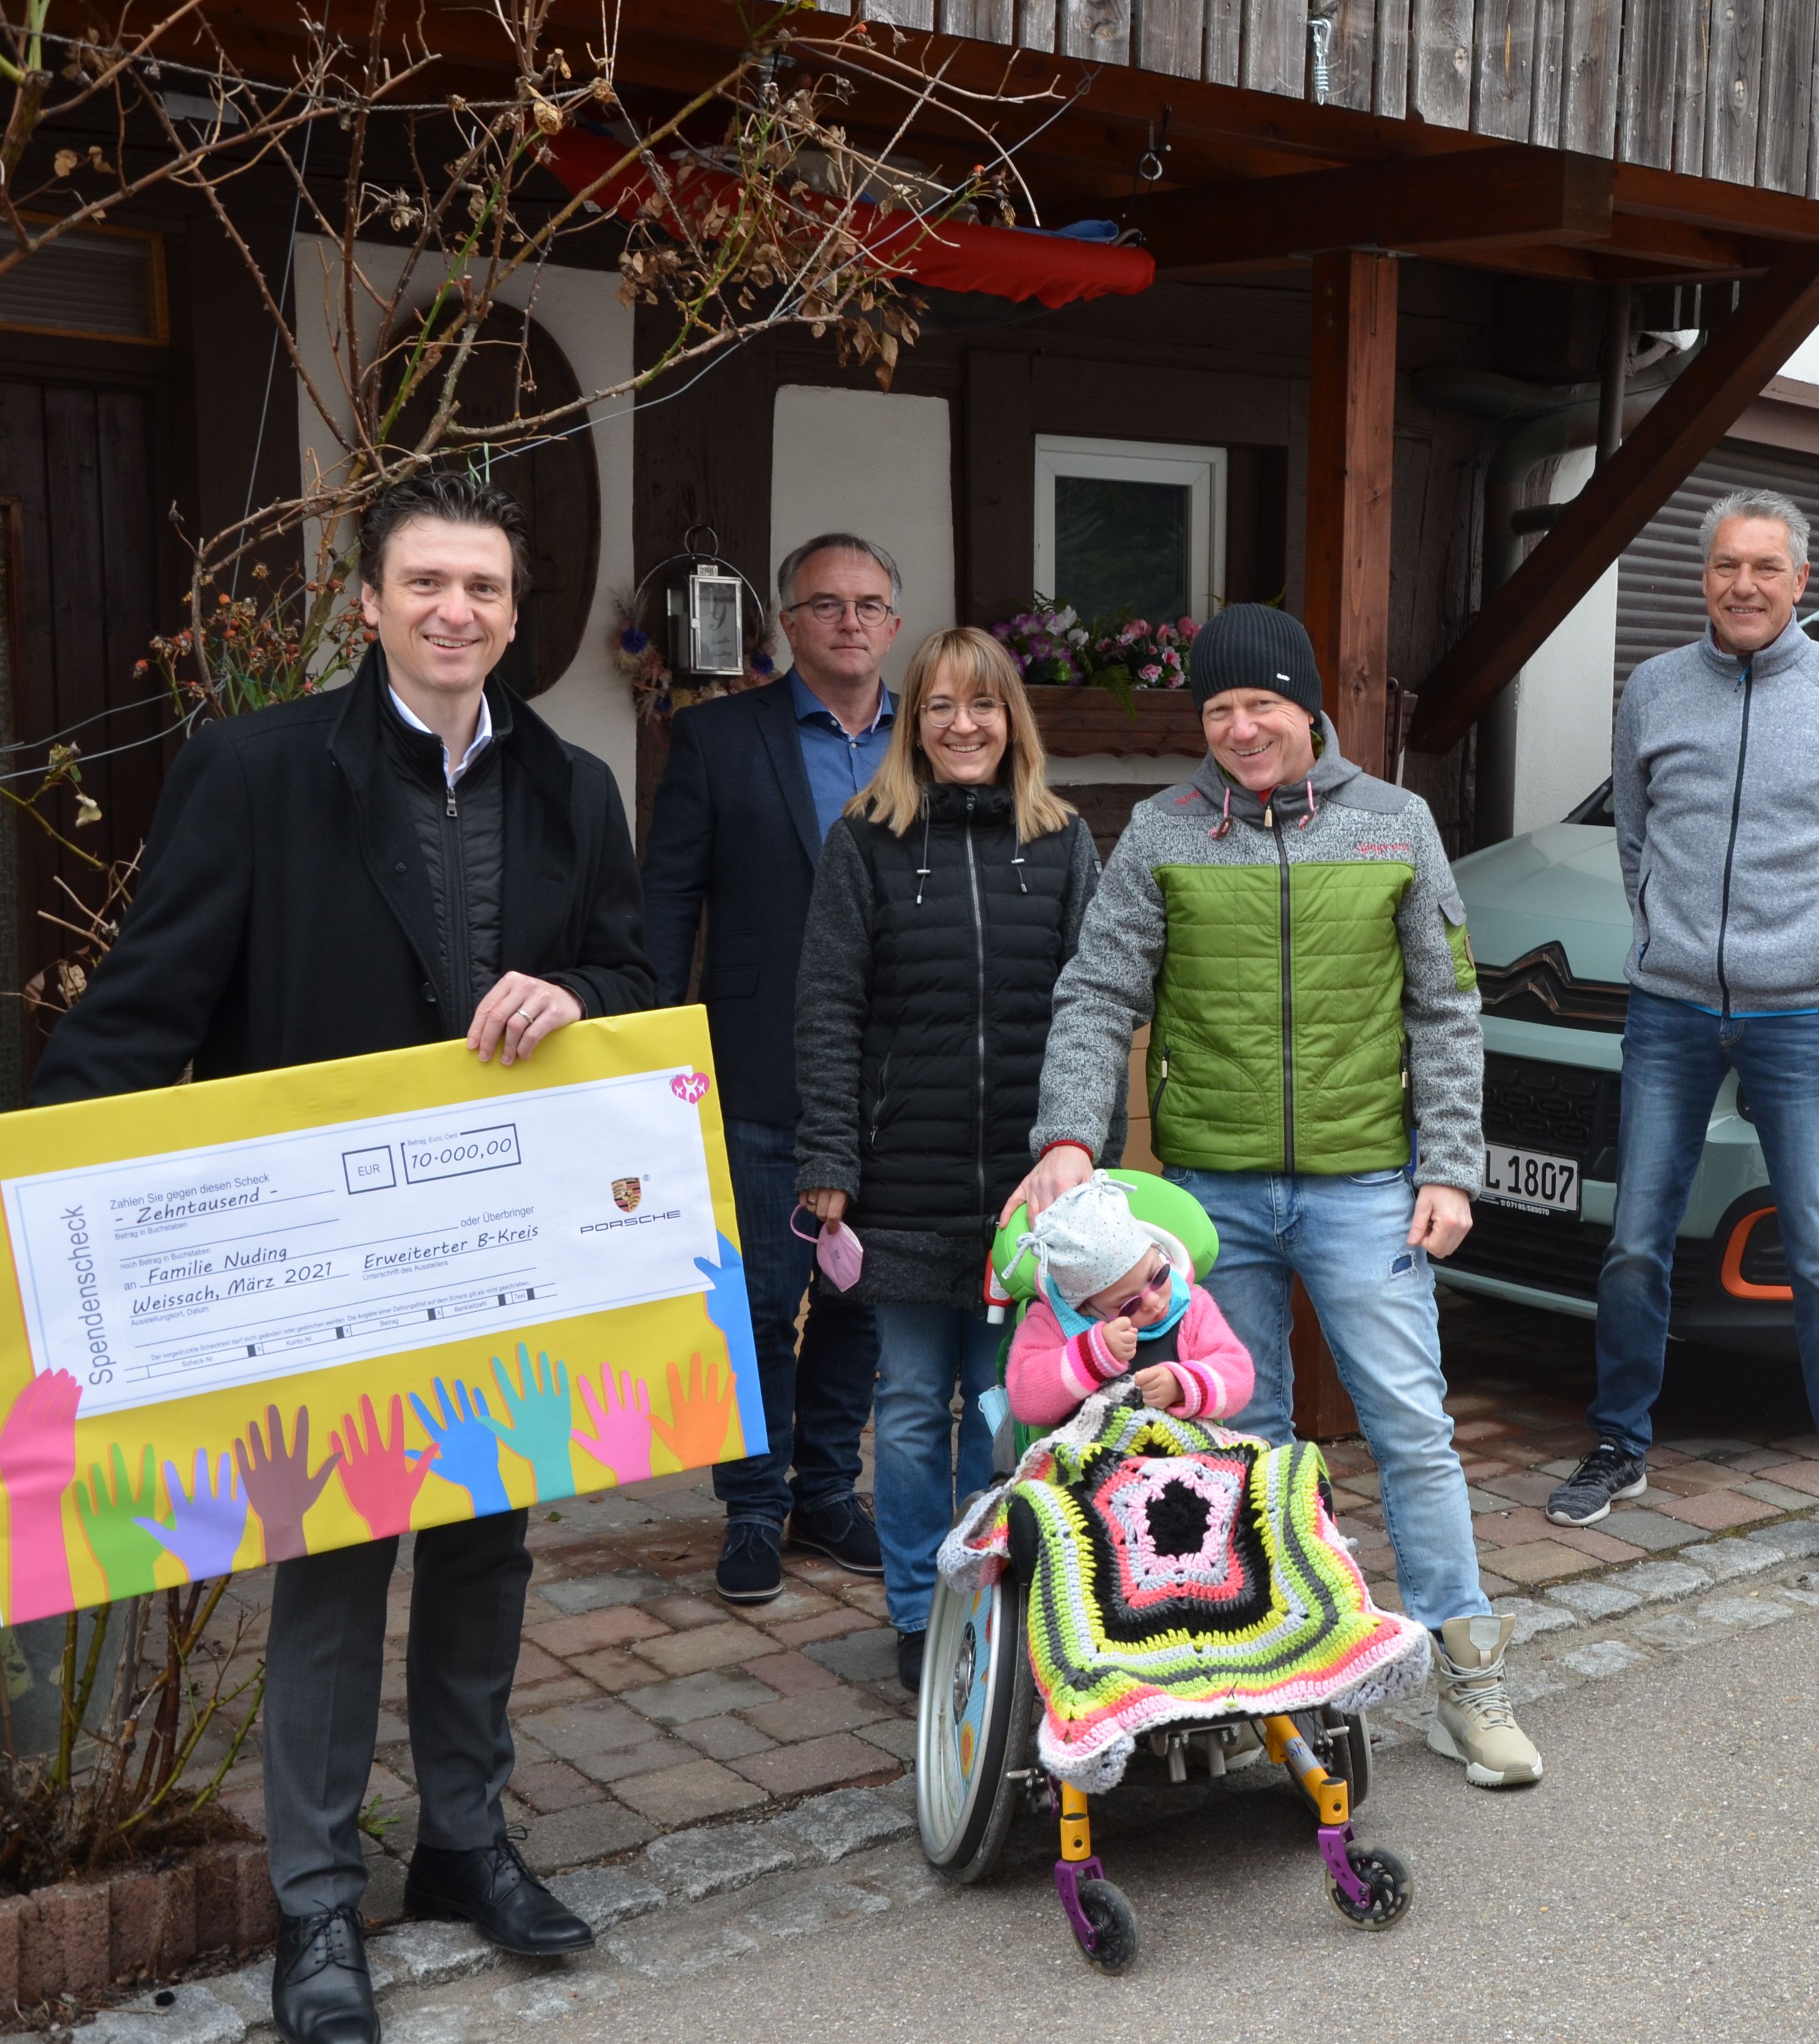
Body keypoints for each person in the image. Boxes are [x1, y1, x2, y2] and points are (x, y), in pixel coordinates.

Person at [31, 473, 653, 2041]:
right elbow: (151, 998)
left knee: (487, 1555)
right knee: (330, 1572)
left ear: (516, 615)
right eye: (427, 583)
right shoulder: (255, 772)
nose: (458, 612)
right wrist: (36, 1193)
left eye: (487, 590)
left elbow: (639, 975)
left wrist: (575, 991)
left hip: (510, 1249)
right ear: (366, 600)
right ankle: (317, 1906)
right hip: (320, 1260)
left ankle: (462, 1843)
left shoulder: (578, 789)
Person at [1007, 602, 1542, 1790]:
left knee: (1409, 1426)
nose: (1241, 728)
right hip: (1212, 1192)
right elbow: (1096, 991)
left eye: (1262, 704)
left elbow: (1444, 1006)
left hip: (1366, 1184)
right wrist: (1068, 1139)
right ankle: (1269, 1678)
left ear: (1310, 706)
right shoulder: (1160, 830)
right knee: (1239, 1436)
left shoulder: (1395, 824)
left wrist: (1450, 1163)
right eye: (1217, 708)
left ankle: (1468, 1677)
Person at [1545, 488, 1819, 1591]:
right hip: (1666, 1006)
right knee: (1635, 1238)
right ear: (1701, 576)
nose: (1742, 585)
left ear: (1800, 581)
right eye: (1723, 565)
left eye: (1764, 567)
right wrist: (1665, 932)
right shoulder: (1654, 688)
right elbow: (1634, 836)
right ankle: (1620, 1440)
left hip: (1801, 1014)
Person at [791, 624, 1106, 1695]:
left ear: (1010, 719)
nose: (962, 725)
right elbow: (827, 1007)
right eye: (939, 706)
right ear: (910, 723)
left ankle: (1003, 1598)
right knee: (918, 1408)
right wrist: (829, 1154)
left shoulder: (1061, 841)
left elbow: (1092, 1013)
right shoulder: (866, 841)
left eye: (982, 705)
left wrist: (1082, 1149)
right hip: (904, 1186)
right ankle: (923, 1613)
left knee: (1010, 1409)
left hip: (1027, 1197)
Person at [643, 534, 905, 1604]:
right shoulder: (714, 738)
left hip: (898, 1071)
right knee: (753, 1303)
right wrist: (654, 1051)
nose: (850, 621)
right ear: (788, 625)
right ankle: (752, 1506)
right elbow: (667, 901)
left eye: (870, 604)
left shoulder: (929, 739)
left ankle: (827, 1490)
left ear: (894, 622)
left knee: (867, 1301)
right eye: (826, 604)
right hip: (754, 1064)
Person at [1005, 1175, 1255, 1427]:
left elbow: (1239, 1374)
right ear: (1084, 1306)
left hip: (1185, 1454)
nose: (1154, 1302)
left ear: (1158, 1253)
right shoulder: (1053, 1324)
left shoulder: (1191, 1307)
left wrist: (1181, 1386)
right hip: (1090, 1455)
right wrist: (1091, 1355)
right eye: (1130, 1305)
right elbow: (1026, 1402)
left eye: (1157, 1276)